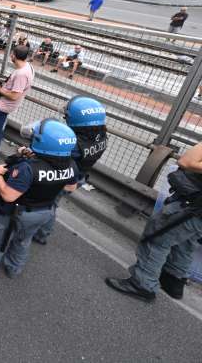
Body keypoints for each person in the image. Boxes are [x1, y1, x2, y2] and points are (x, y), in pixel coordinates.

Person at [0, 119, 78, 282]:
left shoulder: (28, 169)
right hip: (44, 212)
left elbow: (8, 195)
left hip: (16, 213)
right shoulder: (71, 165)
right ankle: (13, 268)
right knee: (24, 240)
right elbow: (70, 188)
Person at [106, 141, 202, 302]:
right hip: (196, 211)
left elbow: (186, 161)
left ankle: (142, 284)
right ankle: (173, 281)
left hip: (192, 207)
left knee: (157, 239)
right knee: (185, 242)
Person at [34, 96, 107, 245]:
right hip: (80, 175)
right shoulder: (102, 136)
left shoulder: (74, 145)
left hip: (65, 177)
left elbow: (53, 153)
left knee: (49, 204)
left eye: (67, 116)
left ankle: (41, 234)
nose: (65, 117)